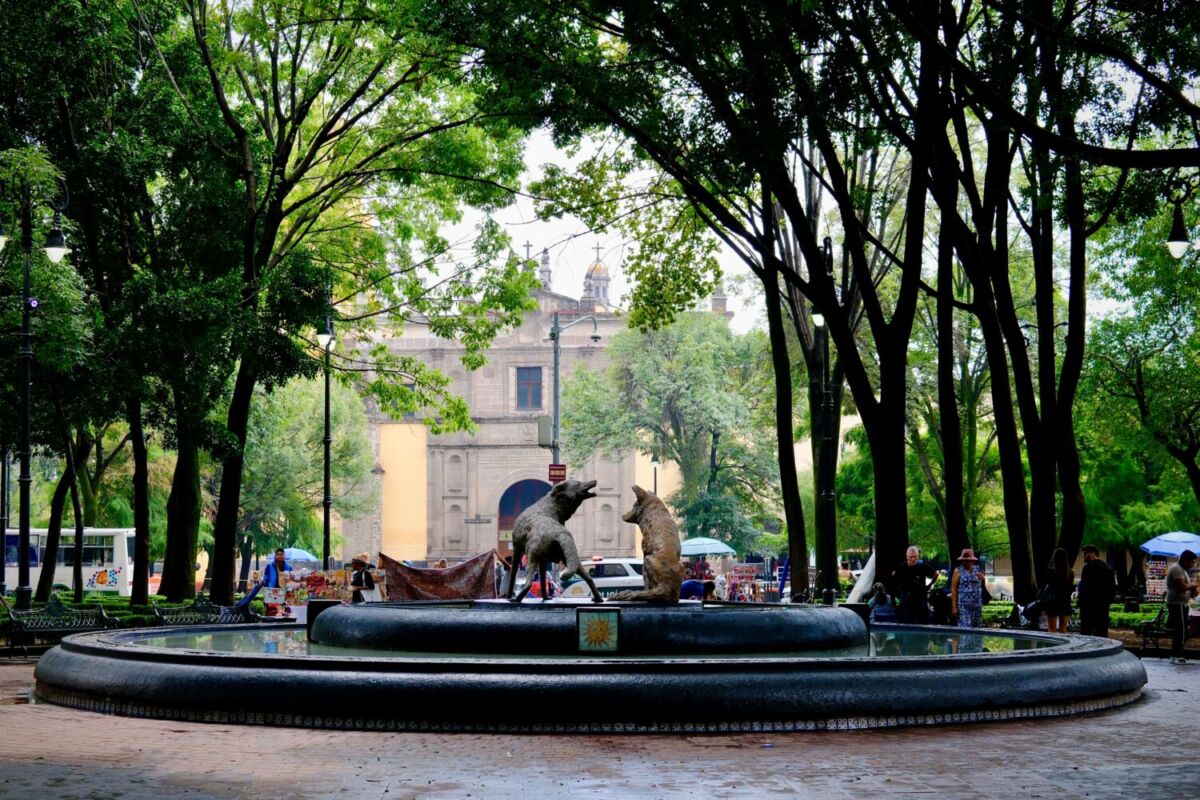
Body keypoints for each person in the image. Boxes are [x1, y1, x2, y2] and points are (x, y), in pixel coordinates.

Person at [890, 546, 939, 624]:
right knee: (906, 622)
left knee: (923, 622)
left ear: (918, 557)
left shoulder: (922, 565)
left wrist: (929, 585)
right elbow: (893, 581)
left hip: (920, 599)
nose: (913, 559)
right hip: (907, 600)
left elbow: (936, 573)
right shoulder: (902, 568)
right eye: (911, 557)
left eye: (915, 557)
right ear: (907, 557)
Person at [1165, 549, 1199, 664]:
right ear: (1185, 560)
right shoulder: (1176, 569)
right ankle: (1177, 655)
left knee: (1182, 630)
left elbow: (1186, 588)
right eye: (1191, 562)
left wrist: (1193, 590)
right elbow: (1181, 587)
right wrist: (1192, 584)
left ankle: (1175, 655)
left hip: (1182, 603)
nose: (1192, 564)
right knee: (1181, 630)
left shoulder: (1183, 570)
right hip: (1176, 603)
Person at [1077, 544, 1117, 637]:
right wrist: (1107, 602)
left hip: (1088, 607)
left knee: (1086, 634)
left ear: (1092, 553)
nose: (1083, 556)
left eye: (1085, 554)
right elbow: (1113, 588)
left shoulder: (1087, 569)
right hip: (1102, 607)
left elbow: (1084, 589)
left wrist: (1081, 601)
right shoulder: (1107, 568)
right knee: (1102, 633)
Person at [950, 548, 985, 628]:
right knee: (965, 629)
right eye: (964, 560)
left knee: (977, 630)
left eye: (968, 560)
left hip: (977, 605)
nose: (966, 562)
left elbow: (987, 584)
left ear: (972, 560)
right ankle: (965, 641)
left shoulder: (978, 569)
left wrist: (984, 579)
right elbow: (953, 588)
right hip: (963, 606)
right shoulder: (958, 571)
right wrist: (954, 607)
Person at [1043, 547, 1075, 634]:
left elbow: (1046, 587)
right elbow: (1070, 588)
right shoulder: (1070, 573)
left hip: (1052, 602)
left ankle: (1052, 646)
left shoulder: (1050, 572)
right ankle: (1063, 647)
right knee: (1063, 629)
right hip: (1065, 601)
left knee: (1051, 630)